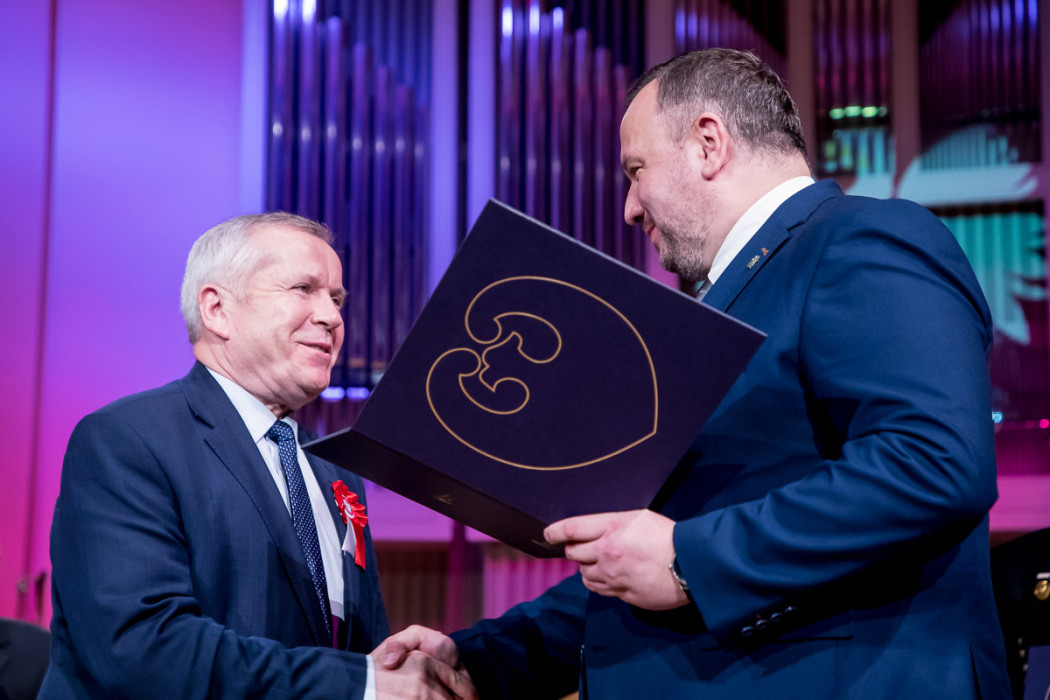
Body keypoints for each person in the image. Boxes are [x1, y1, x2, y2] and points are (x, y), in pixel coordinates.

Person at [391, 48, 1014, 698]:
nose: (630, 208)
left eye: (636, 170)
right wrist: (479, 659)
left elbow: (933, 461)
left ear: (708, 143)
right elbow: (647, 564)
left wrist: (690, 560)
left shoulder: (860, 239)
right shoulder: (721, 307)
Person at [41, 212, 474, 699]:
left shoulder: (335, 469)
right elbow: (143, 649)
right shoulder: (128, 439)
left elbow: (357, 652)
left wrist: (390, 673)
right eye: (303, 289)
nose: (332, 317)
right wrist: (363, 683)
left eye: (336, 299)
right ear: (217, 309)